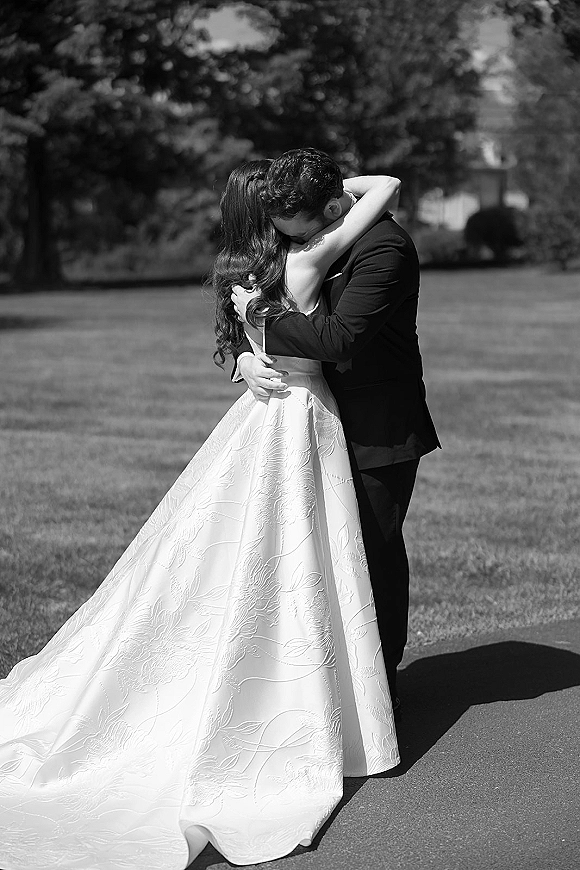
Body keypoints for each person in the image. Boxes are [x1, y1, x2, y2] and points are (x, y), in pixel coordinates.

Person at [0, 161, 402, 870]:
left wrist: (251, 351)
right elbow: (389, 187)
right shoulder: (310, 255)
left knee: (233, 549)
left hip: (259, 417)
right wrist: (336, 185)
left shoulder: (244, 277)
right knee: (299, 552)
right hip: (302, 416)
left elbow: (252, 334)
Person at [232, 148, 441, 708]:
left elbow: (341, 339)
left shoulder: (385, 249)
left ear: (332, 208)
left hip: (377, 432)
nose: (294, 246)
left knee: (372, 553)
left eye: (299, 232)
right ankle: (315, 685)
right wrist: (244, 356)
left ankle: (380, 694)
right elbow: (259, 286)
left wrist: (260, 321)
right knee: (302, 554)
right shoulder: (305, 227)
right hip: (303, 423)